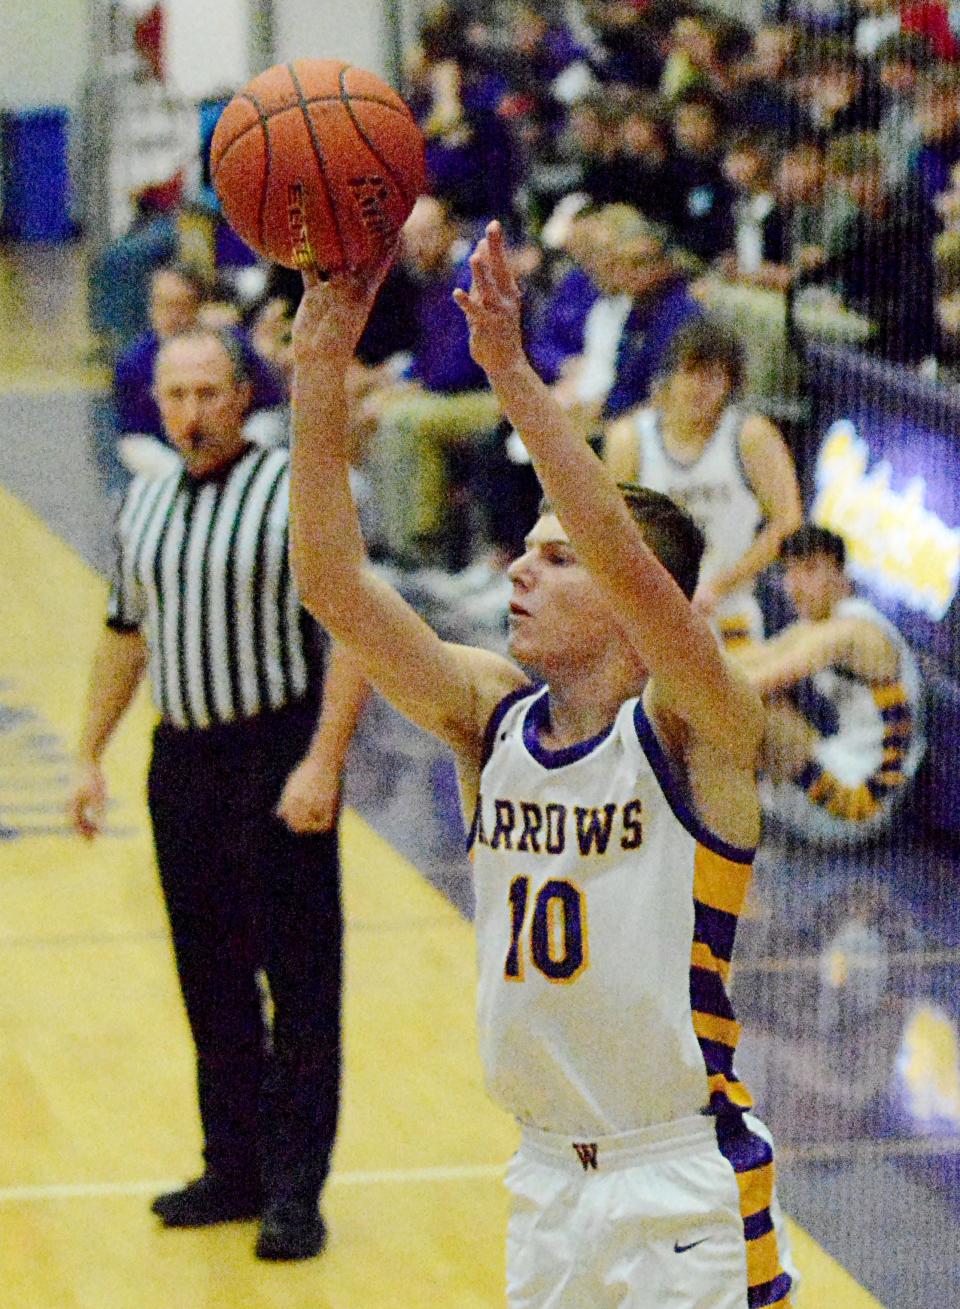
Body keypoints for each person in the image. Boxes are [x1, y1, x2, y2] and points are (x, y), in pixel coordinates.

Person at [288, 223, 796, 1308]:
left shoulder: (700, 725)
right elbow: (334, 584)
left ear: (626, 594)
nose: (521, 568)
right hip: (543, 1181)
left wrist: (513, 375)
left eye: (554, 558)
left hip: (680, 1180)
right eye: (523, 550)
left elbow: (618, 544)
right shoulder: (490, 722)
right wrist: (318, 363)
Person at [68, 327, 369, 1261]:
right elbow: (127, 633)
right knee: (211, 979)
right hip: (182, 763)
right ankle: (230, 1168)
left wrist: (324, 758)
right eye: (174, 395)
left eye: (207, 393)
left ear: (244, 396)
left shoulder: (296, 492)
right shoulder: (144, 500)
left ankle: (294, 1191)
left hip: (273, 753)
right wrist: (87, 753)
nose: (190, 413)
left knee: (301, 980)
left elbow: (359, 630)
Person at [604, 319, 802, 650]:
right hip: (651, 604)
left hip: (729, 602)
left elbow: (788, 521)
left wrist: (720, 586)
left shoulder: (751, 436)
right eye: (691, 373)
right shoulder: (630, 439)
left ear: (731, 386)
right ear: (669, 378)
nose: (701, 387)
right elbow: (611, 528)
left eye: (714, 377)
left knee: (741, 691)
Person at [738, 524, 923, 846]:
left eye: (809, 571)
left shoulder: (852, 631)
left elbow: (754, 681)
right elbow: (752, 659)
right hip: (840, 768)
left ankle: (715, 815)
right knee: (754, 698)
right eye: (789, 572)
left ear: (841, 574)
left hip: (864, 803)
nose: (795, 586)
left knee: (753, 705)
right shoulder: (821, 625)